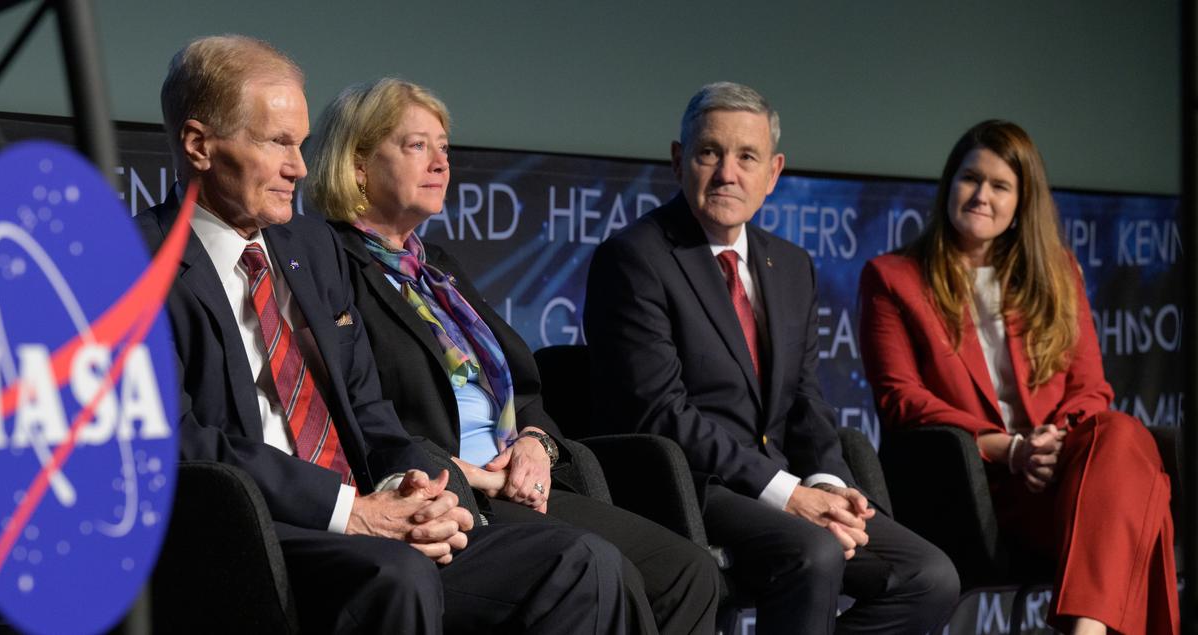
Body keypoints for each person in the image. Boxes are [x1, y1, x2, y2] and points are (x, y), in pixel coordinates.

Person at [138, 35, 628, 634]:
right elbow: (181, 443)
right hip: (255, 531)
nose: (299, 166)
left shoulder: (310, 247)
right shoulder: (131, 264)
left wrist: (408, 490)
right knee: (398, 575)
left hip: (372, 515)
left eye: (301, 145)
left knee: (581, 563)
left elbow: (367, 406)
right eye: (277, 143)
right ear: (198, 146)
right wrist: (352, 512)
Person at [304, 77, 722, 635]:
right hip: (451, 495)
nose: (440, 163)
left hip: (519, 485)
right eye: (417, 145)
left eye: (444, 147)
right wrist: (473, 475)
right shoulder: (331, 267)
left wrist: (535, 443)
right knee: (602, 569)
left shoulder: (439, 269)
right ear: (358, 164)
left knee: (688, 572)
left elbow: (523, 390)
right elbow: (361, 415)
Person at [584, 81, 959, 635]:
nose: (727, 173)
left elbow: (806, 398)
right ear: (678, 159)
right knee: (814, 553)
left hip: (783, 483)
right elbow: (659, 413)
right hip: (690, 486)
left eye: (747, 156)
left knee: (929, 576)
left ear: (774, 172)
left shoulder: (790, 265)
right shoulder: (635, 259)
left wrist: (827, 484)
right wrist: (788, 494)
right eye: (709, 152)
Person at [858, 120, 1178, 635]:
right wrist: (1010, 448)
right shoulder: (894, 278)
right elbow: (900, 398)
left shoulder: (1057, 272)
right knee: (1147, 497)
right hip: (973, 488)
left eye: (1000, 186)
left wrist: (1048, 443)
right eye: (970, 179)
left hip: (1060, 478)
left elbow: (1091, 389)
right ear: (949, 185)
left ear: (1021, 203)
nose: (981, 195)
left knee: (1118, 432)